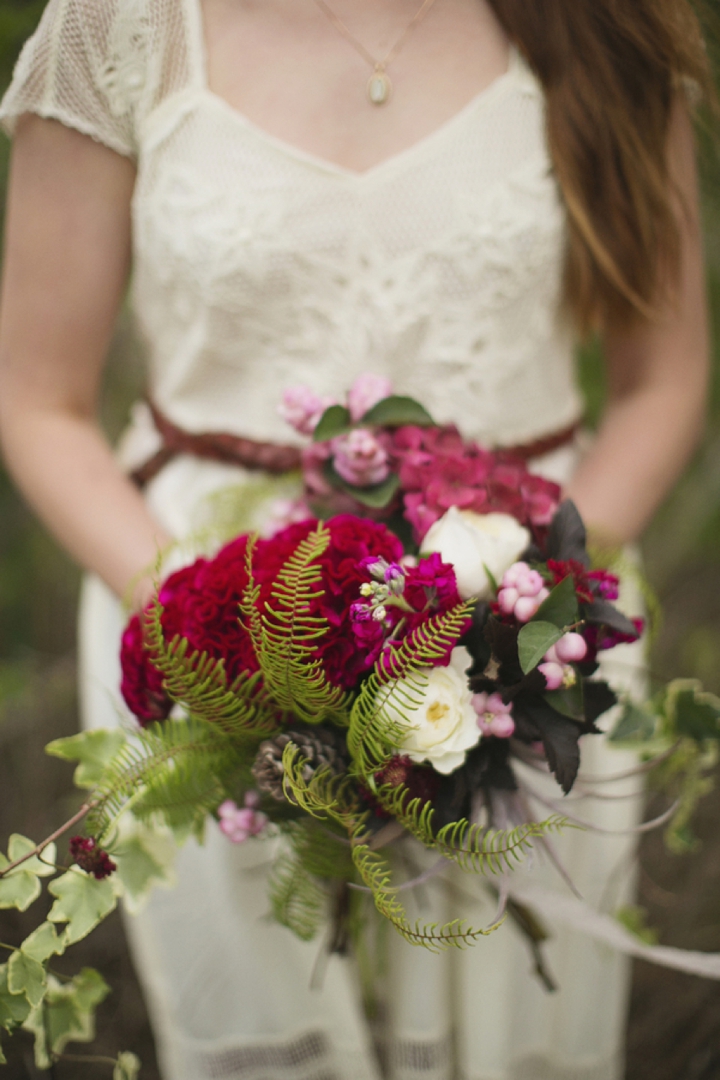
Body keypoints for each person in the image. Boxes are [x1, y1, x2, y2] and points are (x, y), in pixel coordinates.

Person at [0, 1, 711, 1078]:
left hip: (536, 645)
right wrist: (224, 639)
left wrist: (515, 624)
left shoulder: (607, 18)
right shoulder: (119, 24)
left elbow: (663, 383)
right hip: (208, 647)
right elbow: (35, 397)